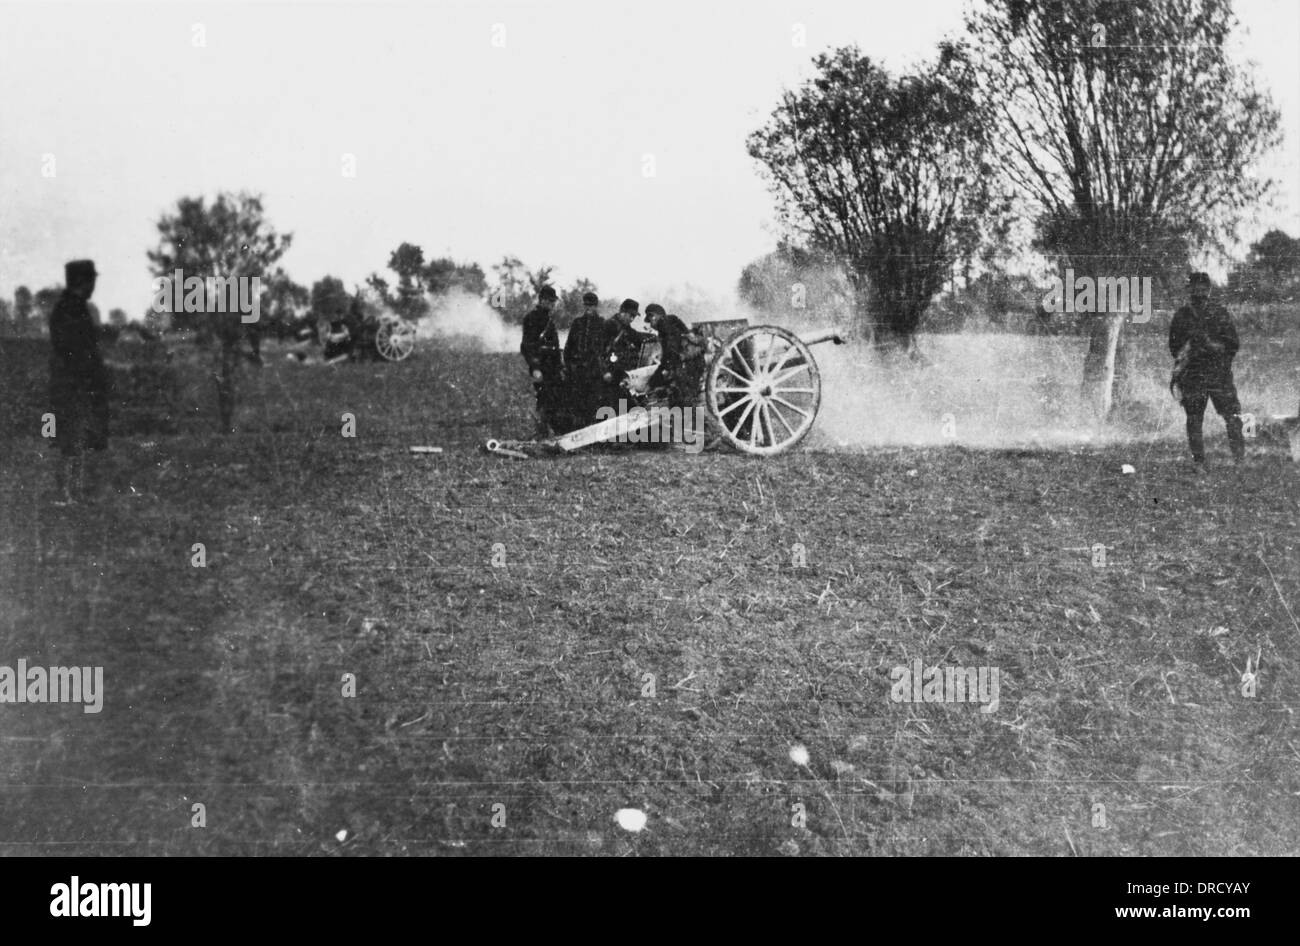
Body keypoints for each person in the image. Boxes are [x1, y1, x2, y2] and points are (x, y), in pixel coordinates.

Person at [48, 259, 110, 503]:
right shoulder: (69, 309)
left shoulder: (73, 307)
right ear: (83, 282)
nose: (94, 285)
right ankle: (68, 493)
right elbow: (75, 348)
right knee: (69, 439)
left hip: (75, 384)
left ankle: (74, 492)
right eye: (91, 280)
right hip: (73, 385)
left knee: (77, 439)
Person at [1169, 272, 1244, 464]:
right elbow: (1174, 348)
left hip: (1219, 373)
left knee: (1234, 416)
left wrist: (1211, 345)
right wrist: (1190, 346)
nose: (1199, 292)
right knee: (1194, 419)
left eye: (1203, 288)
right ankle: (1199, 462)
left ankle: (1240, 459)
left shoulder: (1220, 313)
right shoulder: (1182, 315)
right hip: (1193, 374)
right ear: (1189, 290)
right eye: (1195, 288)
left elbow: (1233, 345)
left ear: (1209, 290)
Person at [521, 285, 565, 436]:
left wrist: (560, 365)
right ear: (542, 300)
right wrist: (535, 368)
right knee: (544, 400)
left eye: (553, 301)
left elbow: (555, 346)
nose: (552, 304)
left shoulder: (549, 320)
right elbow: (527, 346)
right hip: (542, 367)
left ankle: (556, 433)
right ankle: (542, 432)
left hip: (553, 367)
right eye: (550, 301)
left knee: (556, 399)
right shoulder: (531, 318)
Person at [563, 291, 606, 427]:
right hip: (578, 370)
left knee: (593, 402)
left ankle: (591, 429)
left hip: (594, 370)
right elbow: (568, 347)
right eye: (587, 305)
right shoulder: (577, 323)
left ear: (596, 306)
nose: (589, 308)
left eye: (592, 305)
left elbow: (604, 348)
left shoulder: (601, 324)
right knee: (576, 402)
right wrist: (569, 365)